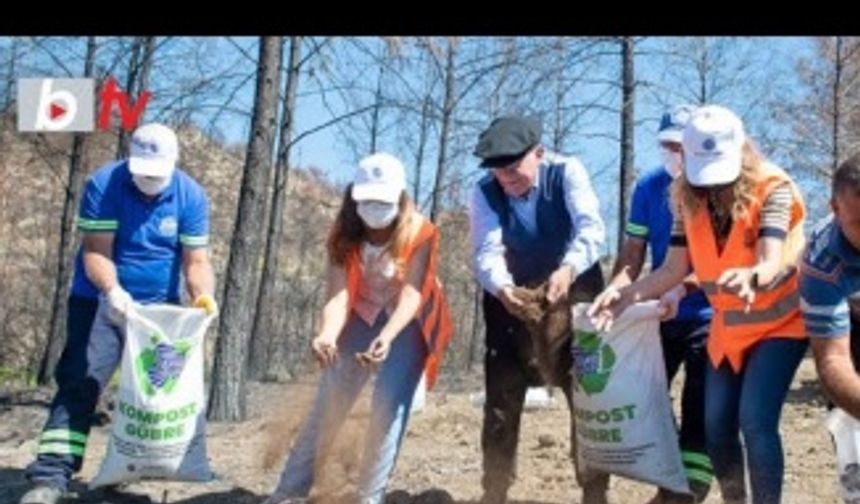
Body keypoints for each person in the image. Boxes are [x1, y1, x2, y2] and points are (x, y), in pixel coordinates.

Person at [589, 105, 808, 504]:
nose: (712, 187)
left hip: (780, 324)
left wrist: (753, 276)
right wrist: (626, 294)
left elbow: (772, 257)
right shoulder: (684, 198)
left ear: (741, 153)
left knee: (755, 421)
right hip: (729, 329)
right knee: (716, 427)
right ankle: (735, 498)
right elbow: (672, 269)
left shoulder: (772, 187)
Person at [21, 123, 217, 504]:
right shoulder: (104, 184)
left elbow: (196, 260)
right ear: (131, 162)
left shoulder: (191, 196)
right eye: (142, 172)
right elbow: (96, 250)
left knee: (154, 391)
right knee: (82, 379)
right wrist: (113, 292)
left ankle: (132, 464)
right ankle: (51, 474)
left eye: (156, 174)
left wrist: (203, 296)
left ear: (173, 165)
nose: (148, 180)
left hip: (159, 309)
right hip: (99, 300)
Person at [264, 152, 453, 504]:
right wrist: (326, 335)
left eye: (384, 201)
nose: (376, 211)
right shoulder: (342, 234)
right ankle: (288, 492)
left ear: (400, 196)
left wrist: (387, 337)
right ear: (355, 197)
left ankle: (369, 497)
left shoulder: (421, 231)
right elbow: (337, 296)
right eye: (368, 201)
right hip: (361, 312)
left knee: (387, 405)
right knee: (329, 400)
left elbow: (412, 295)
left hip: (406, 321)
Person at [469, 115, 608, 504]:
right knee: (501, 391)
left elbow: (591, 229)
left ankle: (594, 490)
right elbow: (487, 250)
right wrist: (502, 287)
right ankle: (494, 490)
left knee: (587, 392)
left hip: (575, 284)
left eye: (515, 170)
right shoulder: (483, 192)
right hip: (513, 296)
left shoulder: (568, 173)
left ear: (539, 154)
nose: (507, 180)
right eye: (500, 173)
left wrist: (568, 267)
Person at [595, 105, 712, 504]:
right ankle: (670, 479)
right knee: (647, 397)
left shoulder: (713, 185)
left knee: (699, 399)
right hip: (659, 313)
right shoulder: (648, 188)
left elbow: (716, 263)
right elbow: (632, 255)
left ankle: (689, 490)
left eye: (680, 145)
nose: (673, 152)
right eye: (667, 145)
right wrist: (618, 289)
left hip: (708, 314)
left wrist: (682, 289)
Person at [801, 153, 860, 419]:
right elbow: (833, 359)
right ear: (835, 208)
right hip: (852, 319)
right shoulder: (821, 264)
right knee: (845, 413)